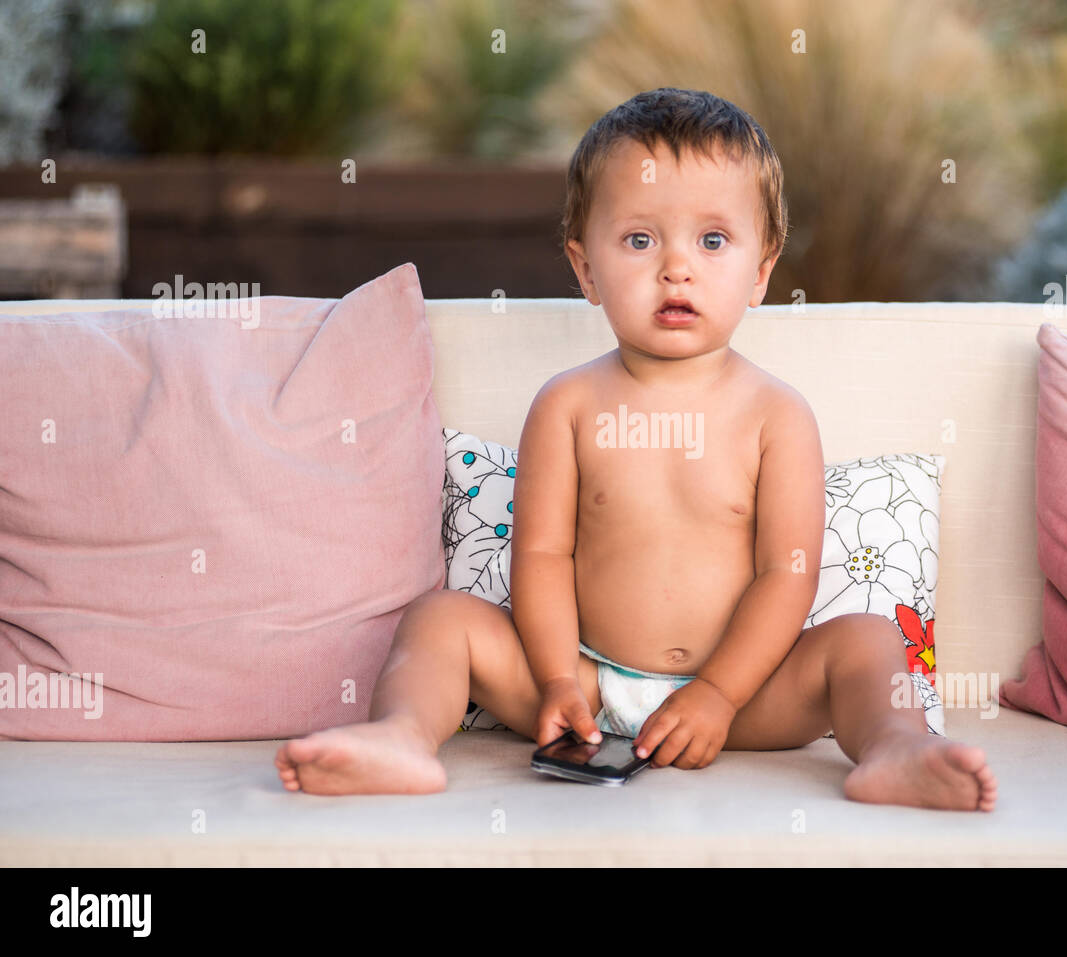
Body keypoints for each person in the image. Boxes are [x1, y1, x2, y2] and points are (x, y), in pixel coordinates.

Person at [275, 87, 997, 811]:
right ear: (586, 268)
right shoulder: (568, 406)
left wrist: (717, 693)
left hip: (744, 696)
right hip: (586, 685)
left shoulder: (778, 417)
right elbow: (542, 556)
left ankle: (897, 747)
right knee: (441, 620)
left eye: (712, 241)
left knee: (868, 641)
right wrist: (556, 680)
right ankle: (401, 735)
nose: (676, 268)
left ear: (761, 272)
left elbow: (787, 574)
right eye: (640, 240)